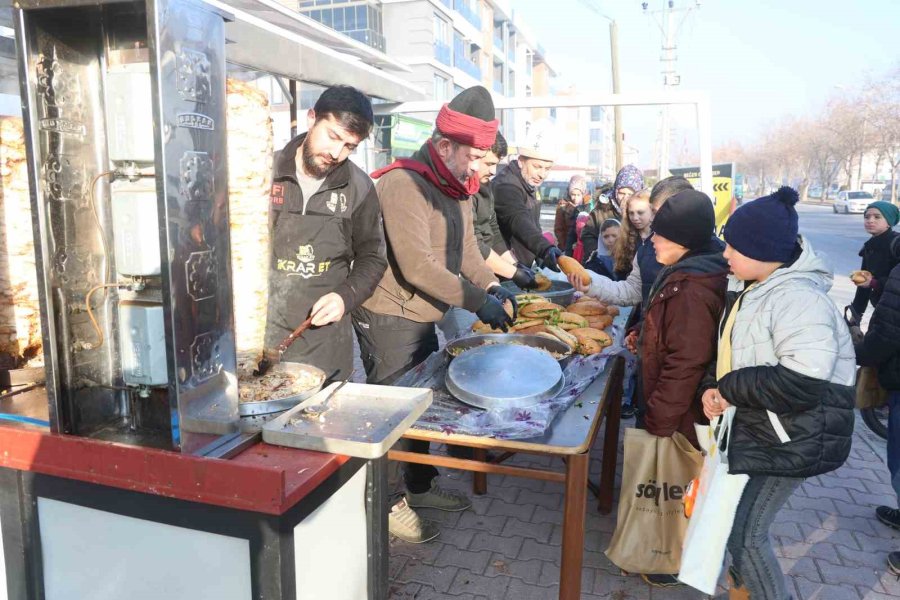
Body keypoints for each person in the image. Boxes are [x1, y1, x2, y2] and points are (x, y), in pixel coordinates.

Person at [354, 86, 517, 544]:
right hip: (388, 313)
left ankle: (420, 488)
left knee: (419, 408)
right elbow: (416, 264)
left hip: (422, 313)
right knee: (391, 413)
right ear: (444, 145)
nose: (480, 168)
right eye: (475, 156)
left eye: (486, 157)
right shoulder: (403, 184)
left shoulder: (456, 185)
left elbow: (465, 249)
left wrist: (491, 285)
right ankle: (385, 506)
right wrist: (474, 300)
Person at [702, 187, 855, 600]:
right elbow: (734, 351)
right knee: (738, 529)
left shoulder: (797, 297)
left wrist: (729, 388)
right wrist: (715, 388)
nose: (726, 254)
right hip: (768, 427)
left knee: (748, 536)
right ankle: (744, 592)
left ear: (764, 250)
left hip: (795, 436)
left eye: (734, 246)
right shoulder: (757, 286)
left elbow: (803, 380)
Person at [576, 189, 728, 587]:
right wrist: (641, 332)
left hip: (677, 408)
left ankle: (667, 559)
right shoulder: (684, 268)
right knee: (668, 486)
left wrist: (659, 416)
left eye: (660, 233)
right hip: (667, 397)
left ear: (684, 238)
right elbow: (663, 323)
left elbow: (686, 361)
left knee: (673, 488)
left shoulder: (694, 286)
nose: (652, 239)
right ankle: (659, 550)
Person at [265, 85, 386, 380]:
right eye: (333, 136)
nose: (336, 153)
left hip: (324, 342)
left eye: (349, 146)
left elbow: (373, 257)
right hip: (260, 333)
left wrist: (345, 298)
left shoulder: (359, 187)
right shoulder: (262, 171)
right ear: (311, 119)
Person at [438, 131, 535, 339]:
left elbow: (493, 232)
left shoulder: (484, 187)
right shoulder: (460, 190)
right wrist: (511, 273)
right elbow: (472, 244)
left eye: (496, 164)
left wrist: (515, 265)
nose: (492, 171)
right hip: (459, 283)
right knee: (467, 339)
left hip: (481, 279)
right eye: (488, 163)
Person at [492, 131, 564, 272]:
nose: (542, 174)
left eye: (547, 168)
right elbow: (519, 220)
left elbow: (534, 227)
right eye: (537, 167)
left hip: (522, 266)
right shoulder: (507, 186)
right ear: (521, 161)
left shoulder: (529, 184)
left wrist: (540, 257)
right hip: (504, 268)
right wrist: (544, 248)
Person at [849, 201, 900, 319]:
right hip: (882, 309)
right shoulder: (869, 247)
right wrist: (855, 317)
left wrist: (874, 283)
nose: (870, 220)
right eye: (867, 217)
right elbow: (863, 286)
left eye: (877, 217)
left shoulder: (897, 244)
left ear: (889, 222)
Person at [581, 164, 644, 260]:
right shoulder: (601, 210)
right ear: (615, 191)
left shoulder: (643, 212)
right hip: (603, 263)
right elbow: (588, 235)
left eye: (630, 194)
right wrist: (599, 254)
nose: (625, 197)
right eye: (621, 193)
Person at [554, 175, 588, 253]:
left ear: (583, 194)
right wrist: (565, 247)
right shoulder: (563, 206)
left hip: (582, 247)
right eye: (573, 194)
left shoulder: (588, 205)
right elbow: (559, 229)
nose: (575, 198)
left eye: (578, 195)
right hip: (567, 246)